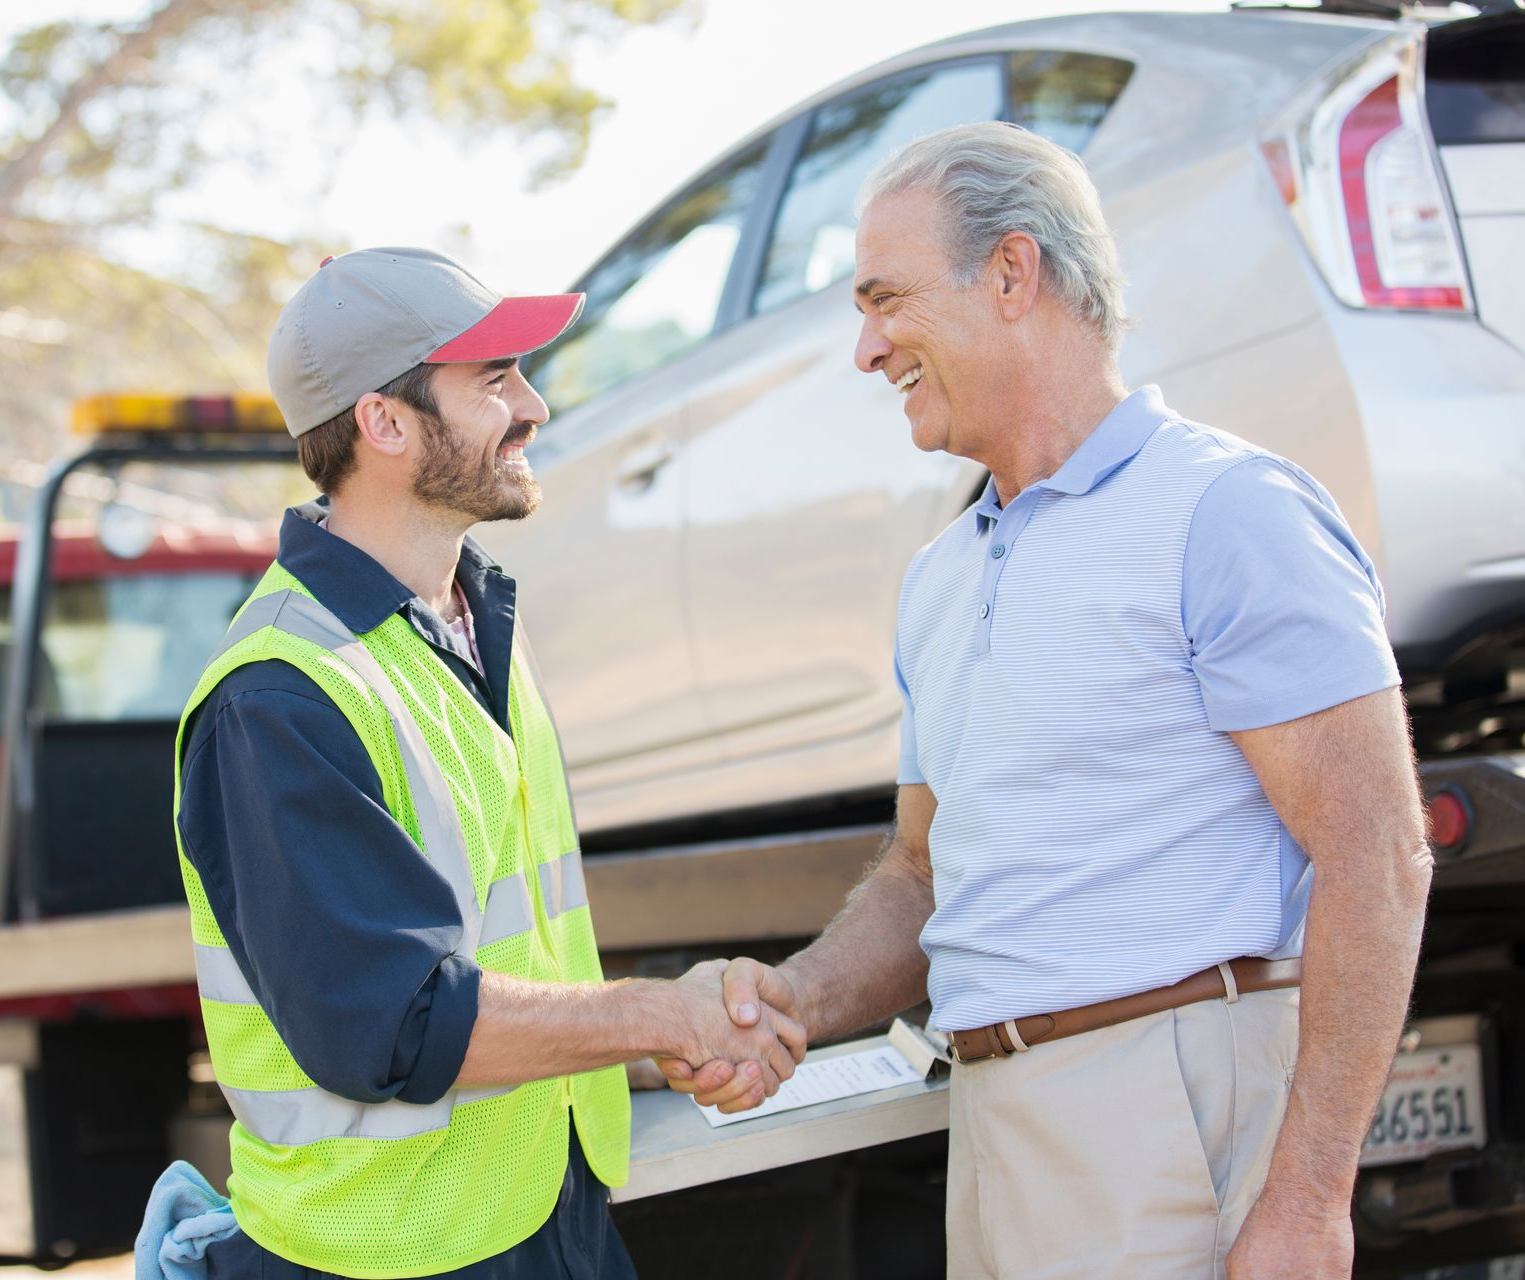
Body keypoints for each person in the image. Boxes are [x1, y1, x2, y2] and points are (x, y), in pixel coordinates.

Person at [663, 124, 1433, 1279]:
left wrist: (1313, 1194)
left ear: (1014, 273)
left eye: (886, 300)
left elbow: (1378, 851)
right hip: (990, 1123)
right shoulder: (941, 575)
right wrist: (797, 997)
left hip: (1174, 1110)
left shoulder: (1226, 511)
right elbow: (924, 874)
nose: (867, 350)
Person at [164, 247, 802, 1280]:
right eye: (495, 380)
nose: (535, 406)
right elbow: (393, 1018)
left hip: (547, 1211)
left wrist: (648, 1047)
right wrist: (657, 1008)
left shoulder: (472, 626)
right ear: (385, 422)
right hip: (389, 1251)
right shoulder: (279, 694)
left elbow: (520, 944)